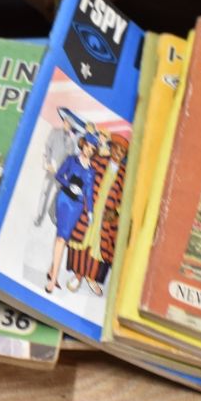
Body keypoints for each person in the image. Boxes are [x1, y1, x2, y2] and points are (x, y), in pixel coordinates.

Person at [66, 133, 129, 296]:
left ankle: (91, 277)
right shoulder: (98, 161)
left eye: (122, 151)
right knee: (82, 240)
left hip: (105, 218)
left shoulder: (125, 175)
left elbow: (125, 200)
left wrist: (116, 212)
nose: (118, 153)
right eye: (116, 149)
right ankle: (78, 275)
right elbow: (81, 179)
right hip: (88, 210)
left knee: (98, 247)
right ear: (111, 148)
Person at [45, 134, 98, 294]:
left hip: (77, 206)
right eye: (88, 146)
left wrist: (90, 212)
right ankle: (53, 280)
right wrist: (69, 184)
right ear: (83, 145)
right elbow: (58, 175)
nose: (89, 150)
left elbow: (89, 193)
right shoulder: (71, 160)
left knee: (63, 238)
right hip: (64, 200)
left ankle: (52, 270)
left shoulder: (91, 171)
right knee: (61, 239)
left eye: (93, 149)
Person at [34, 109, 77, 227]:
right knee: (44, 192)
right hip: (50, 168)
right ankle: (38, 216)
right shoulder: (55, 131)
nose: (67, 125)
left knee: (59, 193)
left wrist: (65, 172)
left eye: (70, 124)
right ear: (64, 122)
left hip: (61, 173)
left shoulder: (71, 142)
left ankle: (52, 212)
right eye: (66, 122)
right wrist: (47, 163)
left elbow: (69, 158)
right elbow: (47, 147)